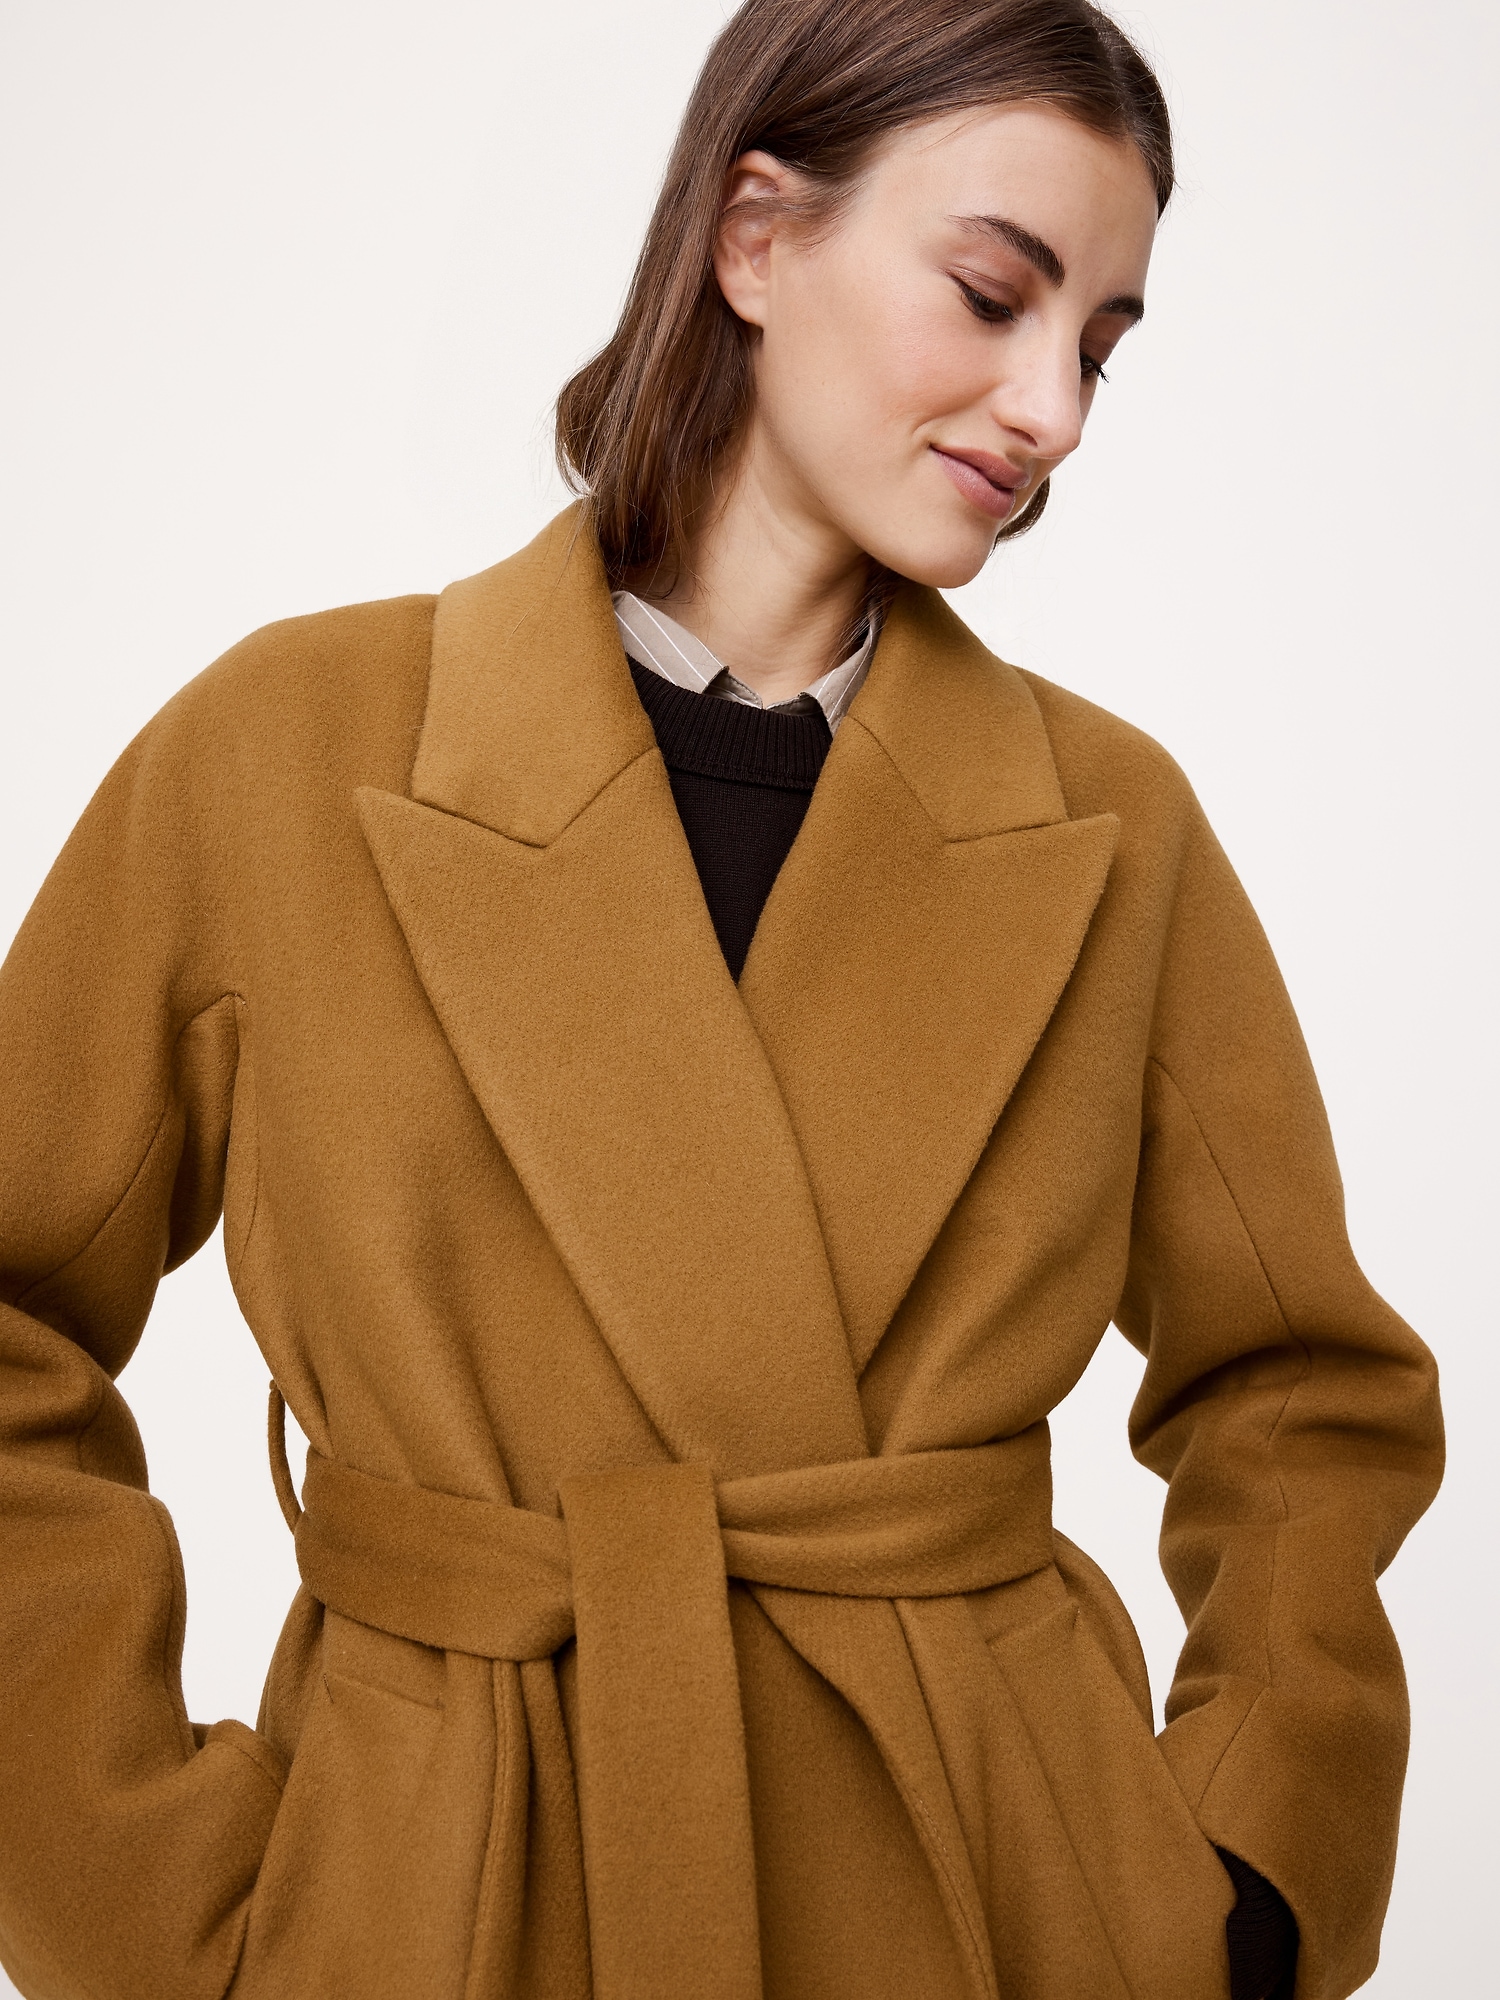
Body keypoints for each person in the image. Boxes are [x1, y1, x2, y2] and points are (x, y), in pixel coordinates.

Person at [0, 1, 1442, 1996]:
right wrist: (128, 1882)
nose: (1054, 412)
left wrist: (1247, 1881)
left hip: (988, 1894)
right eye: (993, 294)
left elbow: (1300, 1395)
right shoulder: (283, 750)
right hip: (447, 1891)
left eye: (1100, 345)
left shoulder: (1113, 824)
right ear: (754, 238)